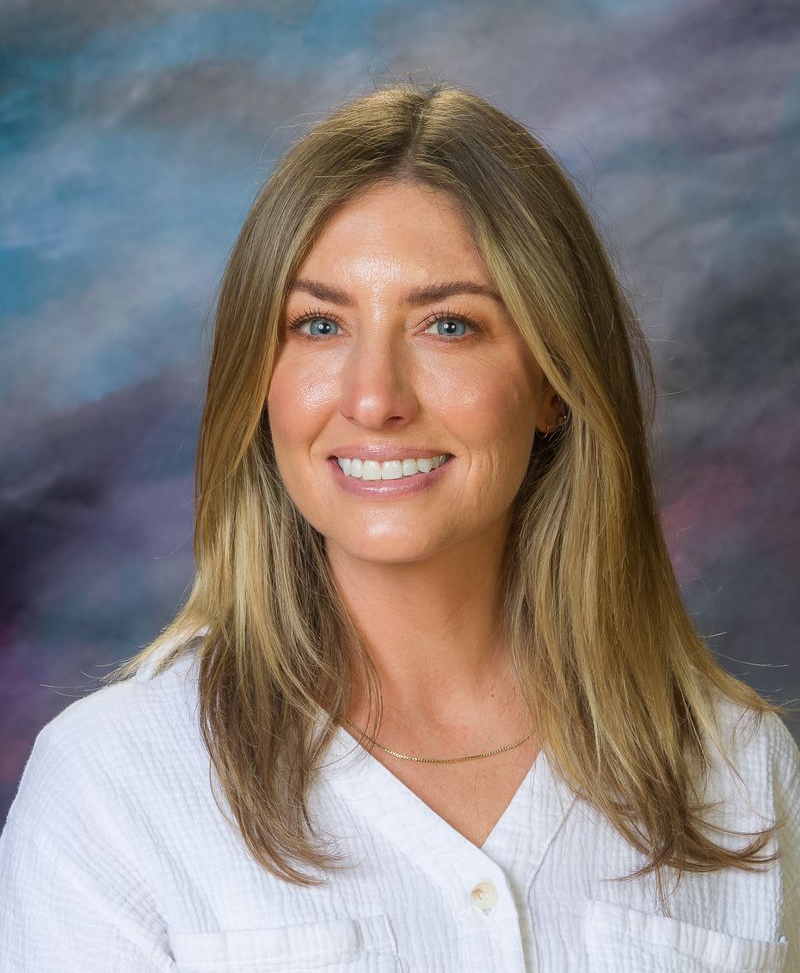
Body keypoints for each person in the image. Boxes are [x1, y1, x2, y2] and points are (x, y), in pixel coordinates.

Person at [0, 80, 797, 973]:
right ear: (259, 382)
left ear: (551, 383)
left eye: (449, 325)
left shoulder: (740, 771)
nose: (375, 398)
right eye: (320, 324)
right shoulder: (116, 787)